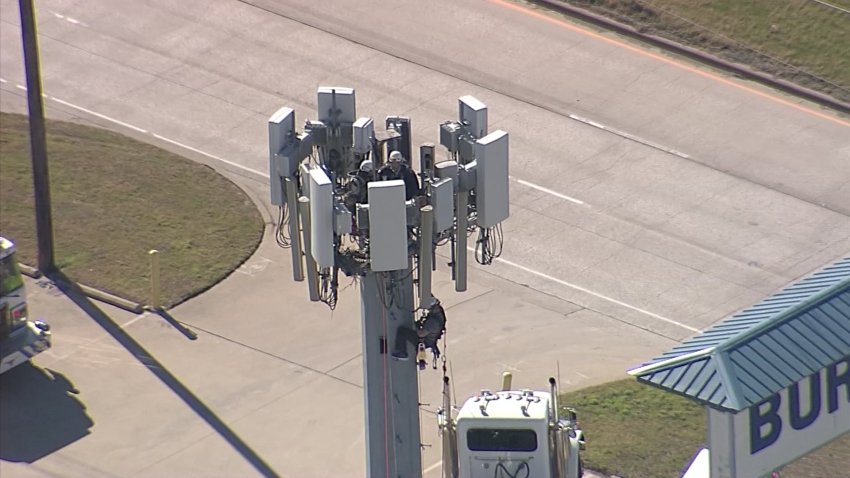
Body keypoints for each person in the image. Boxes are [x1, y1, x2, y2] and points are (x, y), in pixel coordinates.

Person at [392, 299, 447, 364]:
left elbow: (420, 334)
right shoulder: (439, 313)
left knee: (402, 331)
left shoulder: (433, 323)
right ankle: (421, 358)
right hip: (430, 337)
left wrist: (416, 326)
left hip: (425, 340)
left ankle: (402, 353)